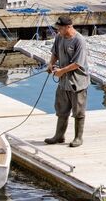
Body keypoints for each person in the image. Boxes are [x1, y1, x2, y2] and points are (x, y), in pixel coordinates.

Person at [44, 16, 89, 148]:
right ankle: (59, 136)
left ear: (69, 27)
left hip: (77, 82)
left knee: (78, 111)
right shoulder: (59, 37)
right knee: (61, 109)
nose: (58, 30)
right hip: (63, 82)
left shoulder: (79, 40)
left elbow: (77, 63)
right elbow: (55, 52)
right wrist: (51, 64)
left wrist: (62, 71)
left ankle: (78, 138)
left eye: (61, 27)